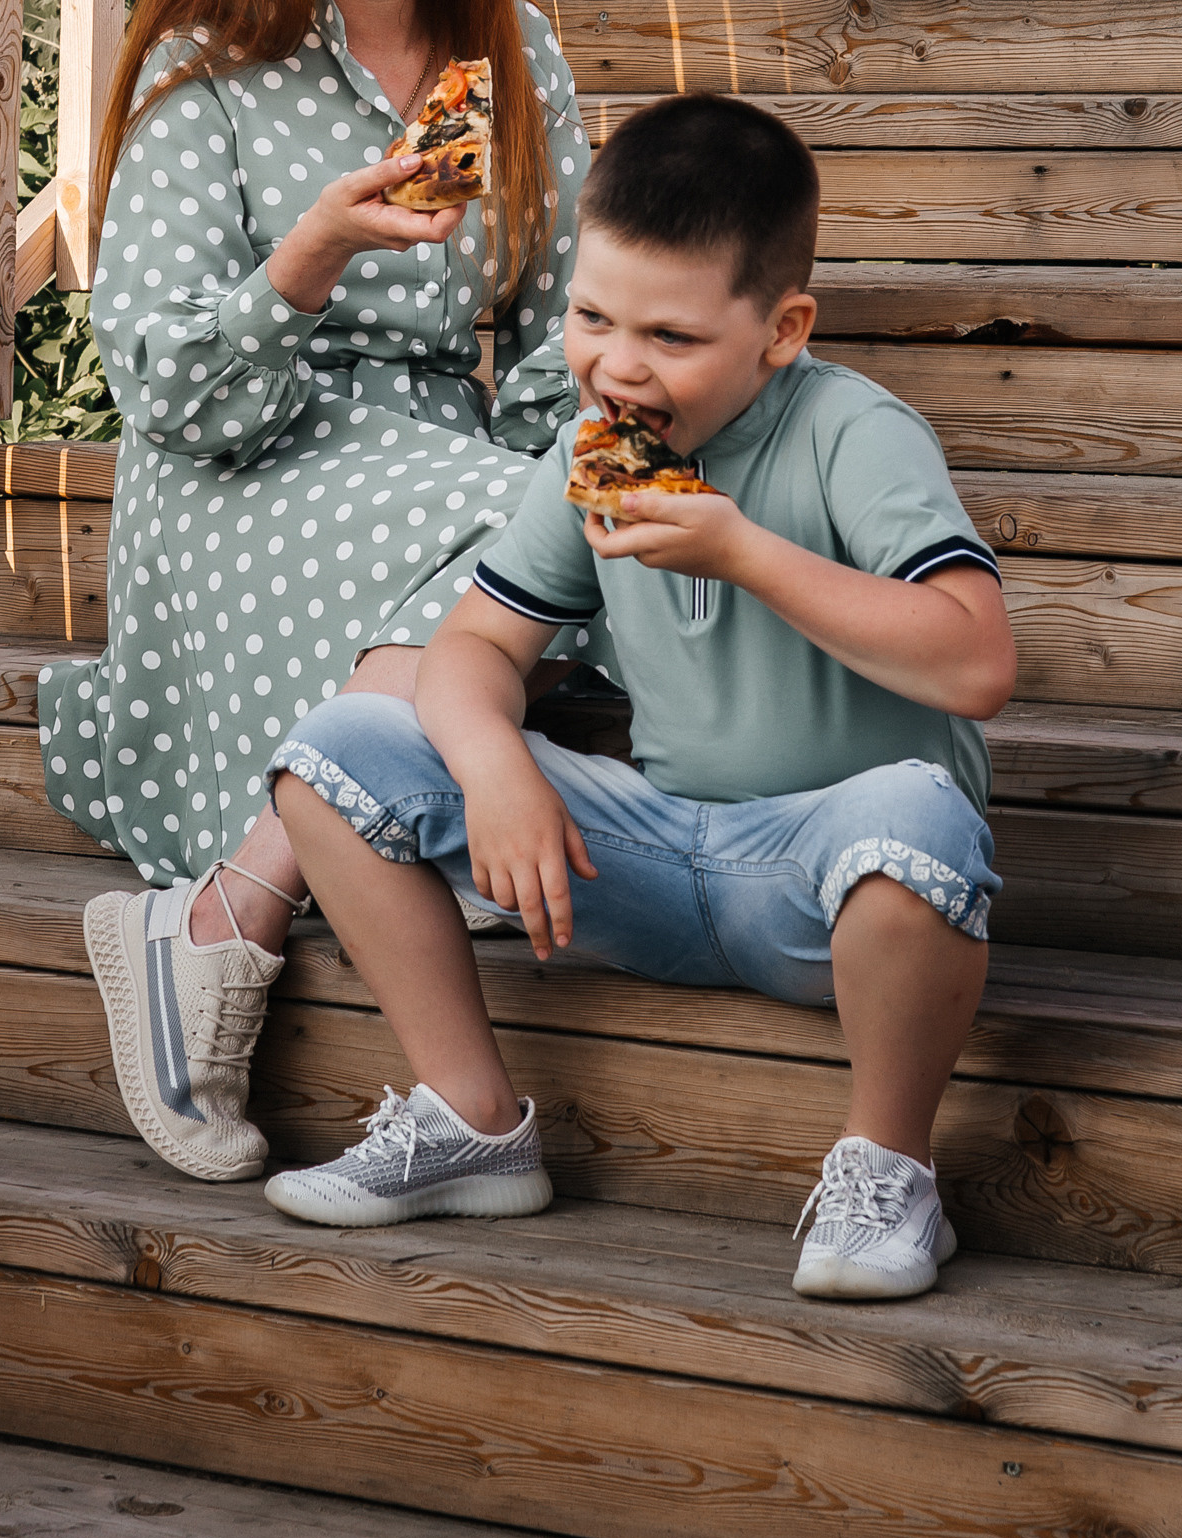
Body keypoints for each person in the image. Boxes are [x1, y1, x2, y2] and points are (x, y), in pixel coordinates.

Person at [260, 95, 1019, 1302]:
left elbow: (977, 662)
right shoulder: (590, 447)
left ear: (782, 330)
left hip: (826, 883)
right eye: (591, 316)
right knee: (337, 751)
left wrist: (743, 552)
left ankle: (888, 1171)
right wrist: (497, 763)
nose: (615, 363)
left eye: (668, 336)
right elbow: (471, 648)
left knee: (920, 818)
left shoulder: (853, 436)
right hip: (652, 854)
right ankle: (473, 1123)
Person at [46, 0, 599, 1183]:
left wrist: (569, 459)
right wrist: (310, 254)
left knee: (585, 511)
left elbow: (562, 337)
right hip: (242, 469)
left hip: (436, 472)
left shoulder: (517, 60)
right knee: (521, 538)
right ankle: (286, 880)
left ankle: (232, 905)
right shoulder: (208, 70)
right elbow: (165, 390)